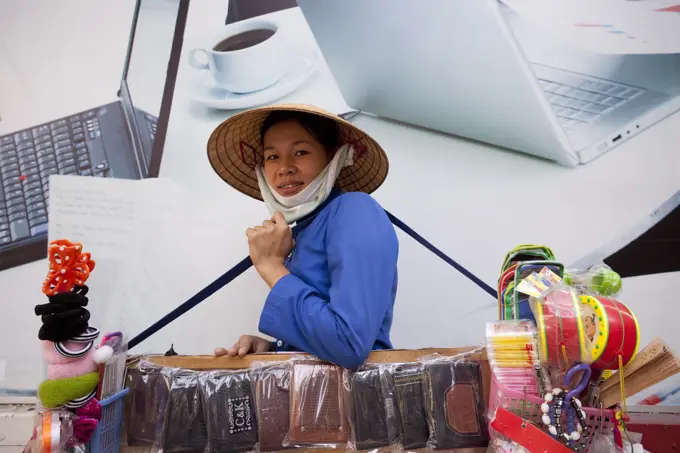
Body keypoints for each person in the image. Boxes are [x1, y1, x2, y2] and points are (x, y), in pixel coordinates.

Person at [207, 104, 398, 369]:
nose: (284, 168)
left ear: (332, 157)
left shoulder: (355, 210)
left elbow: (349, 344)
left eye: (301, 152)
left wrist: (272, 267)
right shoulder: (305, 228)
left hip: (357, 404)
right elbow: (326, 344)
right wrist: (275, 350)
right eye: (272, 157)